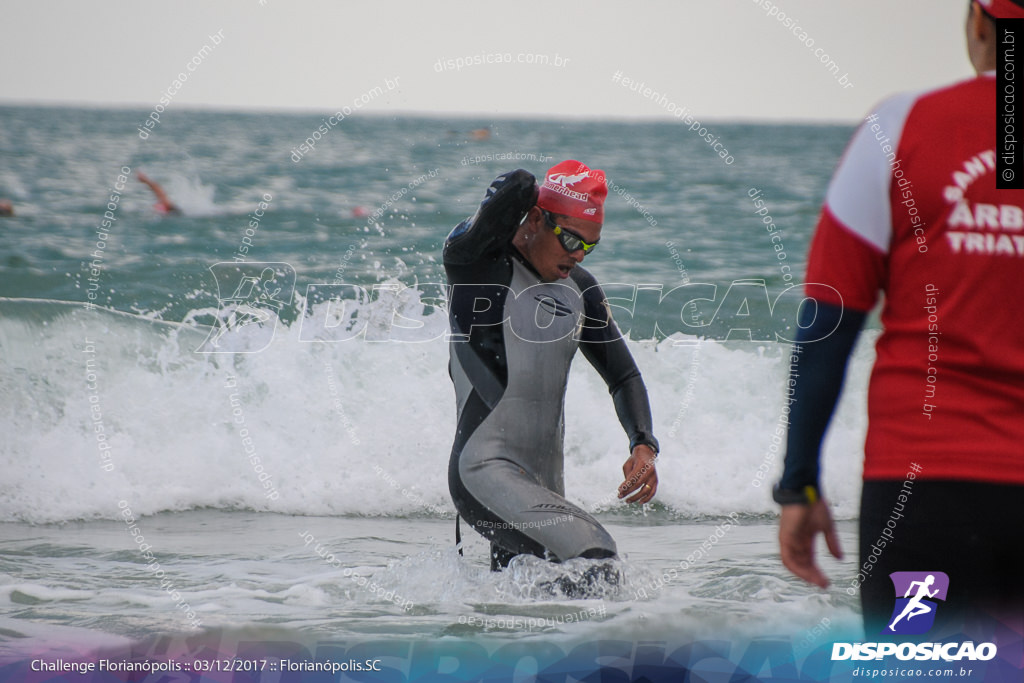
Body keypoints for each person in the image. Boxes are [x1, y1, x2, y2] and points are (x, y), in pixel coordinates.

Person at [775, 0, 1024, 634]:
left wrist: (798, 483)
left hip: (922, 491)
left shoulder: (900, 126)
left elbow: (828, 320)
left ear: (976, 22)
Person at [444, 160, 660, 579]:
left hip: (540, 487)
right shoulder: (479, 269)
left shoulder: (580, 290)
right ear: (537, 218)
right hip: (482, 473)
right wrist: (530, 188)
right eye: (569, 239)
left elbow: (624, 377)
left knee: (529, 615)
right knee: (593, 559)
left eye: (589, 245)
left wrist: (643, 445)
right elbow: (510, 193)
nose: (577, 254)